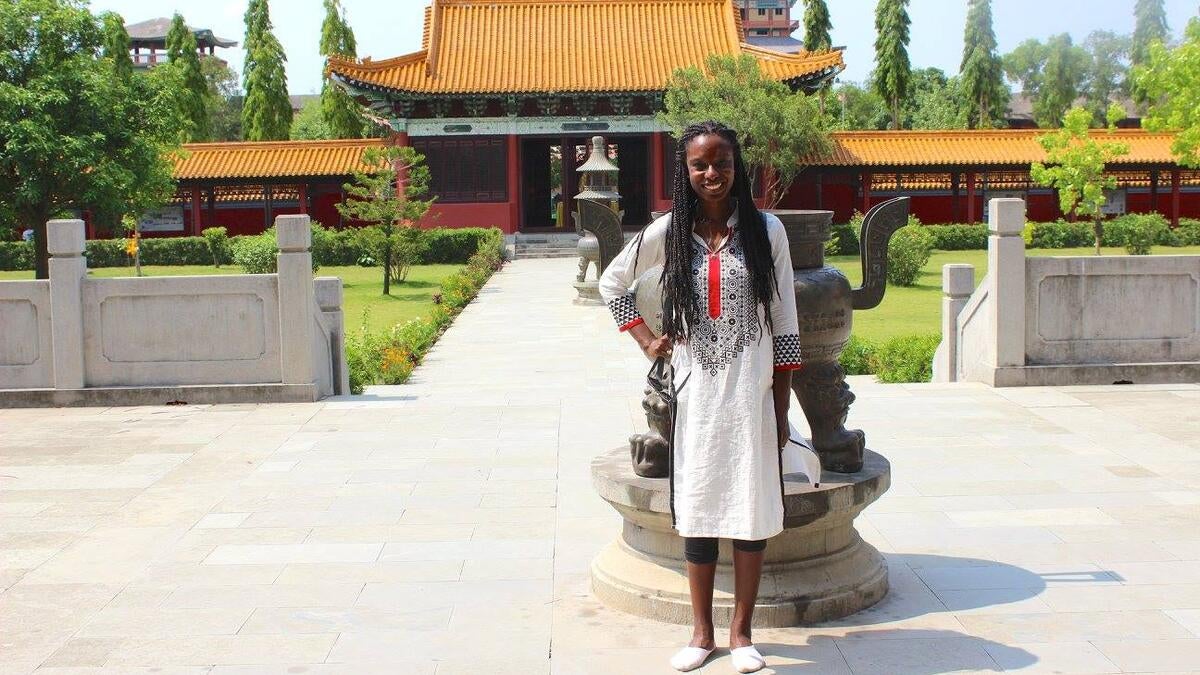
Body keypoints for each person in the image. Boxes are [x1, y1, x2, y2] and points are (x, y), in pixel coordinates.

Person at [598, 121, 802, 673]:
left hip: (751, 396)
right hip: (696, 397)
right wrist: (646, 341)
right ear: (685, 172)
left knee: (751, 509)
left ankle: (742, 634)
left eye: (723, 163)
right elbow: (611, 283)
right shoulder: (669, 231)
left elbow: (785, 324)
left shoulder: (767, 232)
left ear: (738, 168)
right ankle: (701, 632)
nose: (712, 174)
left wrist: (781, 406)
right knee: (698, 508)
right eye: (700, 165)